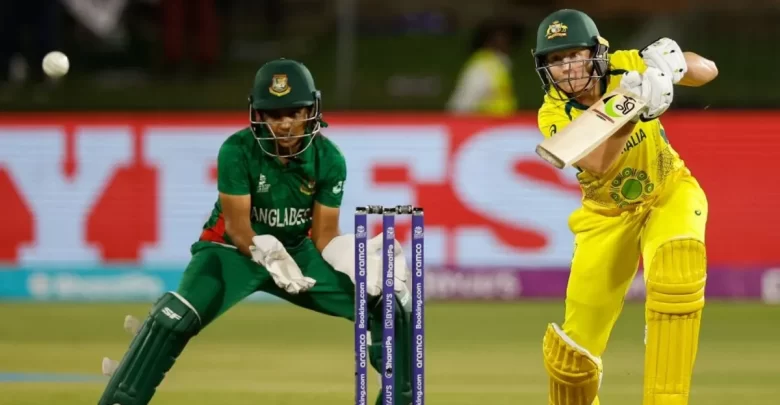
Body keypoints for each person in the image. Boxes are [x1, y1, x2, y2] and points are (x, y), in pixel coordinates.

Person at [97, 58, 415, 405]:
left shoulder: (329, 158)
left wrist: (353, 258)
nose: (285, 123)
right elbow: (236, 226)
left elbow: (323, 234)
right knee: (176, 319)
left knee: (386, 304)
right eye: (274, 114)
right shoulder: (237, 150)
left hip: (297, 252)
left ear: (311, 109)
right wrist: (266, 252)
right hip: (230, 252)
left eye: (294, 111)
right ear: (259, 115)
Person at [531, 9, 718, 405]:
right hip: (605, 219)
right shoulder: (553, 113)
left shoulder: (628, 65)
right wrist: (633, 109)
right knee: (570, 361)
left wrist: (674, 64)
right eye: (555, 61)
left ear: (597, 51)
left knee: (677, 267)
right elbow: (599, 162)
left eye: (573, 55)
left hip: (669, 192)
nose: (566, 68)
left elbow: (710, 70)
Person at [447, 18, 519, 116]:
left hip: (500, 125)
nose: (506, 44)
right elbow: (464, 101)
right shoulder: (481, 66)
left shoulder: (500, 65)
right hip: (484, 125)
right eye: (501, 39)